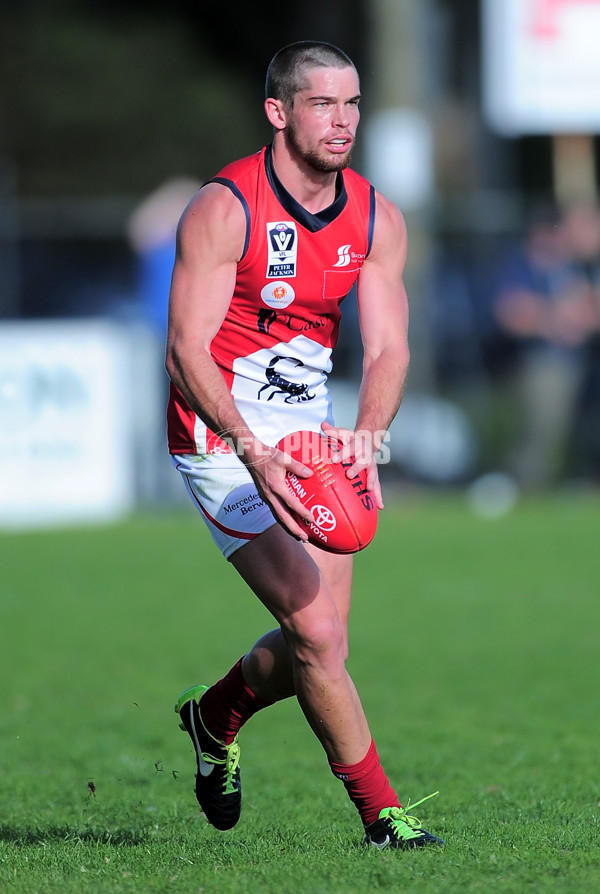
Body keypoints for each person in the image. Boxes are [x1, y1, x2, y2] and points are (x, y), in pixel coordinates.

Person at [165, 40, 443, 850]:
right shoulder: (226, 207)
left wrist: (365, 438)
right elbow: (185, 349)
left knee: (320, 643)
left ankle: (213, 716)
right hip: (220, 435)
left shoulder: (373, 215)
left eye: (353, 103)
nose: (343, 120)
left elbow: (390, 349)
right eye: (323, 103)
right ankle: (382, 817)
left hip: (310, 435)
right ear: (279, 112)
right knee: (317, 636)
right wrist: (250, 447)